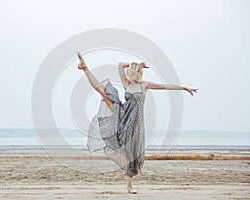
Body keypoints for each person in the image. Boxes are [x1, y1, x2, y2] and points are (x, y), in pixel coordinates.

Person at [77, 52, 198, 194]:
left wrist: (184, 88)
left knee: (132, 154)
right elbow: (120, 65)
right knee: (103, 92)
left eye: (129, 70)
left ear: (134, 72)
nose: (127, 71)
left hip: (136, 123)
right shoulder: (126, 84)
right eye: (127, 70)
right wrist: (137, 64)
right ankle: (85, 69)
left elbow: (164, 86)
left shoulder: (144, 85)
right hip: (122, 115)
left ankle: (129, 185)